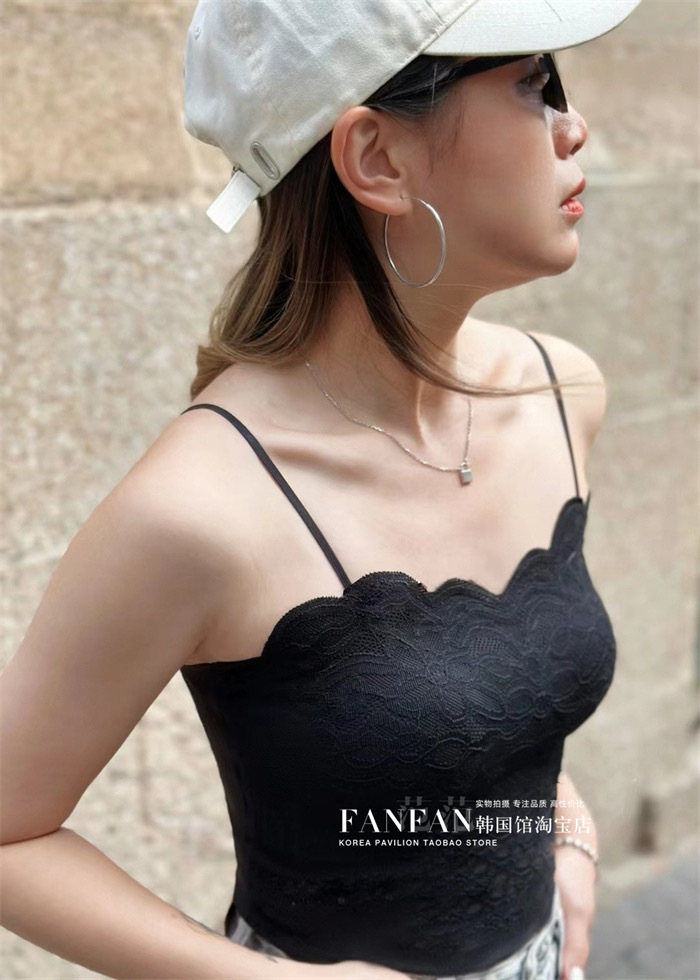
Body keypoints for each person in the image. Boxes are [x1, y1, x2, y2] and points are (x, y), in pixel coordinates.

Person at [0, 1, 645, 979]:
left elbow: (499, 697)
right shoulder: (202, 509)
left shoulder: (562, 395)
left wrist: (569, 837)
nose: (573, 125)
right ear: (376, 159)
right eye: (533, 83)